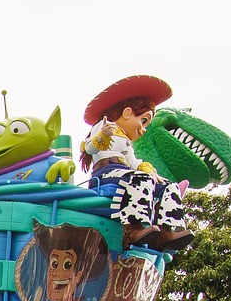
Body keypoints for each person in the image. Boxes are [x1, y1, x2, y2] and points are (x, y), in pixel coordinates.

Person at [78, 75, 193, 252]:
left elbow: (132, 161)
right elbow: (90, 148)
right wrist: (103, 136)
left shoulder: (126, 141)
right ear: (127, 113)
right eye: (143, 121)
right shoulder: (104, 126)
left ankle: (167, 230)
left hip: (125, 173)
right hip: (107, 173)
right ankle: (132, 228)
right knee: (141, 178)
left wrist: (148, 170)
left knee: (169, 186)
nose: (143, 129)